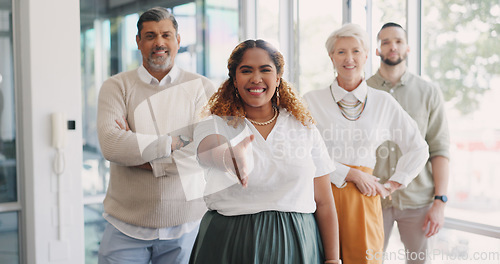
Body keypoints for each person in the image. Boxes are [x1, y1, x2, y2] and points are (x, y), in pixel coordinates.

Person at [189, 39, 341, 264]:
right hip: (229, 242)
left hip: (298, 241)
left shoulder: (304, 127)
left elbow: (325, 202)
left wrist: (333, 260)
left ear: (278, 78)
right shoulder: (215, 124)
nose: (256, 78)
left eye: (265, 70)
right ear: (234, 79)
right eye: (246, 70)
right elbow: (209, 150)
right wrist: (228, 156)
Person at [96, 7, 215, 264]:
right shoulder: (116, 87)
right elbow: (111, 145)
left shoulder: (202, 88)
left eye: (166, 35)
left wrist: (140, 155)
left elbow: (204, 153)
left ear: (178, 40)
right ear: (138, 41)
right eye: (150, 36)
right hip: (124, 226)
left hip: (186, 225)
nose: (159, 42)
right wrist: (172, 143)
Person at [303, 23, 429, 264]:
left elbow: (419, 147)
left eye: (356, 51)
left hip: (364, 198)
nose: (349, 58)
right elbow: (302, 152)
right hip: (318, 195)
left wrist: (392, 184)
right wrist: (349, 173)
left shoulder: (383, 102)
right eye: (341, 51)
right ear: (331, 56)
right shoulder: (312, 100)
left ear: (367, 55)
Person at [367, 22, 450, 264]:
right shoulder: (363, 91)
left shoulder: (429, 92)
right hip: (372, 198)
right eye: (385, 42)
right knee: (367, 260)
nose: (392, 46)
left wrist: (440, 201)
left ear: (408, 48)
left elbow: (439, 149)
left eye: (398, 41)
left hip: (418, 202)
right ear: (377, 50)